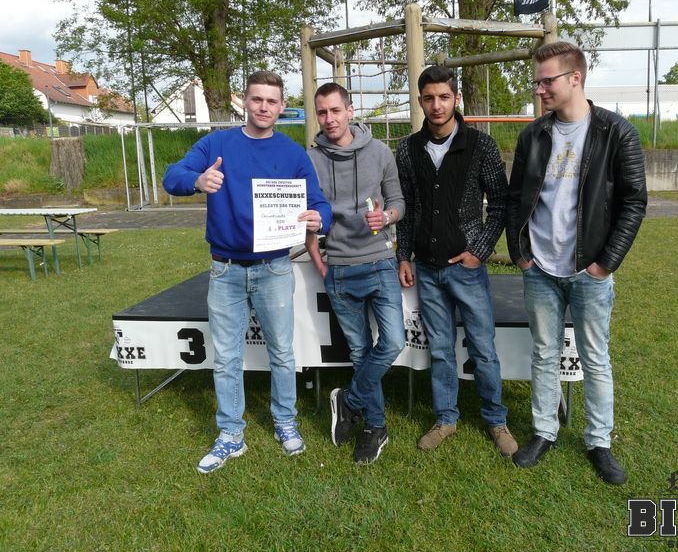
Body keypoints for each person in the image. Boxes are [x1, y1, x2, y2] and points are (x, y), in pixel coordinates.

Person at [163, 70, 332, 473]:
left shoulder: (293, 154)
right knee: (226, 357)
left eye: (272, 101)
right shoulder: (216, 145)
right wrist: (197, 179)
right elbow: (172, 176)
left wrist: (317, 218)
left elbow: (319, 203)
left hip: (274, 268)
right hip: (226, 270)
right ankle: (230, 434)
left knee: (282, 352)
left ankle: (285, 421)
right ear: (245, 101)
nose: (264, 107)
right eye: (257, 99)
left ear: (281, 106)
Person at [506, 42, 647, 484]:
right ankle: (544, 432)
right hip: (540, 269)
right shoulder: (533, 135)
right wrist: (522, 256)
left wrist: (605, 264)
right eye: (537, 82)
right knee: (544, 353)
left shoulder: (616, 132)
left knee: (595, 358)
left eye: (547, 81)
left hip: (590, 271)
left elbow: (634, 202)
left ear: (575, 78)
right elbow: (515, 200)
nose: (539, 89)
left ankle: (599, 442)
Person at [395, 65, 517, 457]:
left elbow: (500, 204)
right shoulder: (408, 150)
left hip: (466, 269)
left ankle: (496, 420)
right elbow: (407, 209)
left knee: (483, 347)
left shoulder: (481, 146)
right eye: (429, 98)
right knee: (441, 349)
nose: (437, 105)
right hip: (427, 269)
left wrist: (478, 251)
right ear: (420, 101)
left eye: (444, 97)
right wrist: (403, 255)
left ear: (456, 99)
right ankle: (446, 418)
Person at [304, 82, 406, 464]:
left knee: (393, 342)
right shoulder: (310, 159)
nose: (329, 118)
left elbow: (398, 201)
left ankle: (349, 399)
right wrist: (317, 257)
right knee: (361, 352)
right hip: (339, 268)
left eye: (336, 110)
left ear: (350, 111)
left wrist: (388, 216)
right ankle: (375, 427)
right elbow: (304, 212)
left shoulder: (380, 152)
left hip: (379, 262)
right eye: (322, 112)